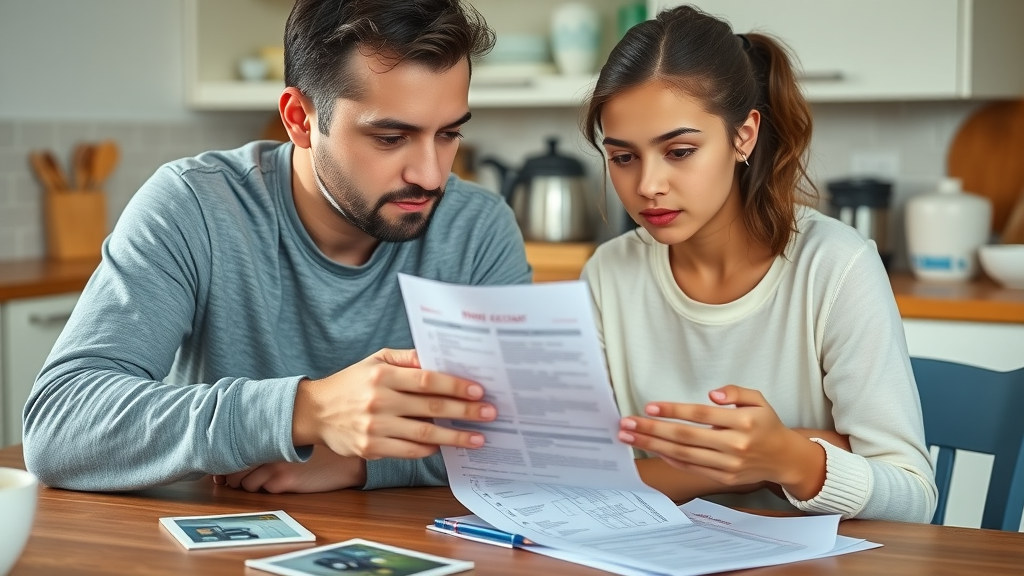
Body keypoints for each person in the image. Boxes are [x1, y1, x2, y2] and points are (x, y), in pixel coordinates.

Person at [23, 0, 532, 493]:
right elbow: (59, 425)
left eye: (447, 135)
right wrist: (304, 414)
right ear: (299, 119)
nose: (430, 174)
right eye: (390, 137)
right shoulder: (193, 206)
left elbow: (528, 435)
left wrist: (360, 465)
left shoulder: (478, 227)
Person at [580, 5, 937, 522]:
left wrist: (789, 458)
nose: (647, 185)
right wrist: (750, 460)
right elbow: (587, 480)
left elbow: (913, 498)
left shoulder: (835, 265)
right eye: (623, 157)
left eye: (679, 151)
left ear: (743, 135)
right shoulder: (608, 273)